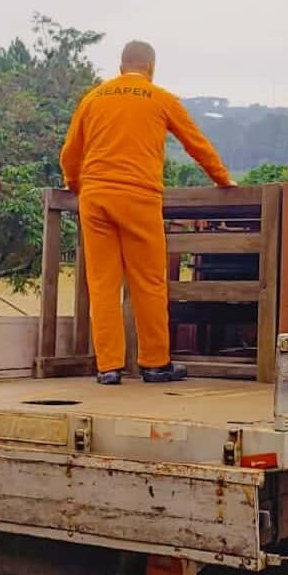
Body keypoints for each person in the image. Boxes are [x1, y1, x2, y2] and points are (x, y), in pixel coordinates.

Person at [60, 40, 236, 385]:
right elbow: (195, 143)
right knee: (150, 282)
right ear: (151, 67)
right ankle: (155, 363)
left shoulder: (93, 98)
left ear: (121, 65)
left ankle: (108, 366)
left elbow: (70, 152)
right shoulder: (160, 98)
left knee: (102, 284)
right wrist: (222, 179)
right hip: (138, 197)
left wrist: (73, 183)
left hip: (94, 198)